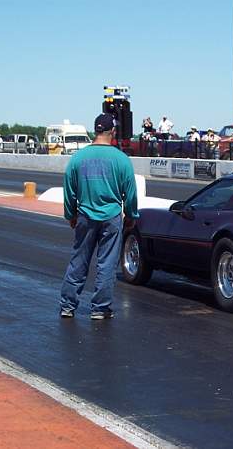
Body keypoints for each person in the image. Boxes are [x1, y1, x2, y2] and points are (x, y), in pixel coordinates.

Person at [60, 113, 139, 320]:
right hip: (111, 217)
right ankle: (100, 308)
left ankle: (67, 305)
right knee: (106, 264)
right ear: (112, 131)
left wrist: (71, 214)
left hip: (85, 215)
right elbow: (130, 192)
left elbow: (69, 189)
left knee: (78, 261)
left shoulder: (78, 158)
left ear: (96, 130)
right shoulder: (121, 159)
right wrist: (131, 214)